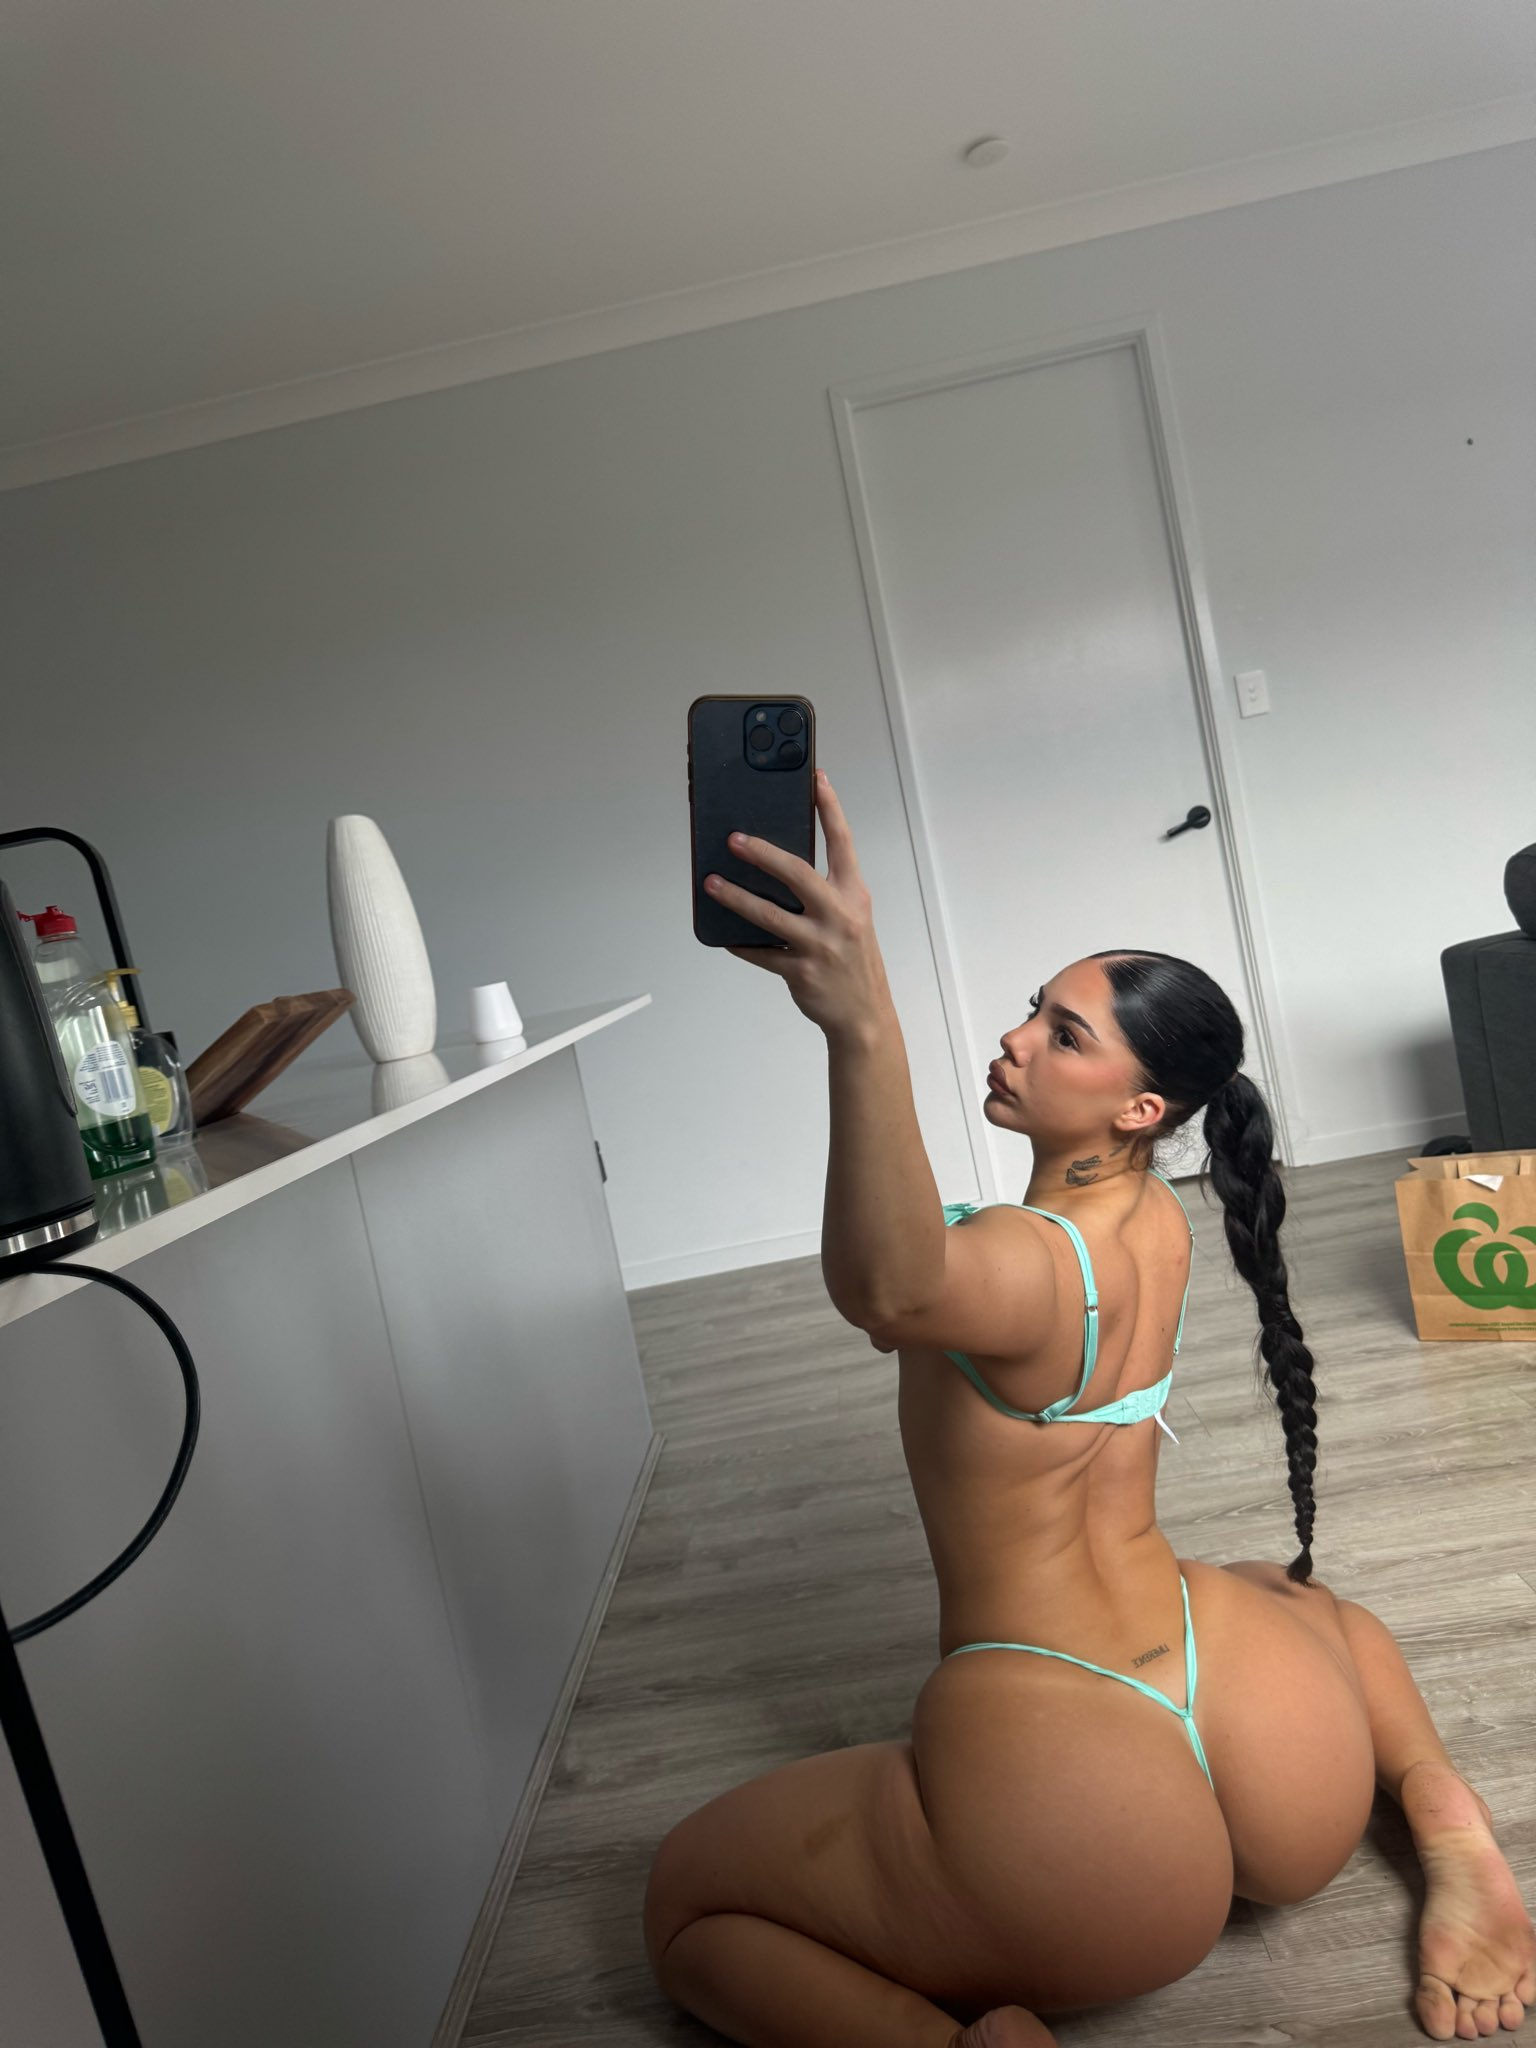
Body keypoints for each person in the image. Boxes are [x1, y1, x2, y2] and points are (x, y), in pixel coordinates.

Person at [644, 772, 1536, 2048]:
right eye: (1033, 1010)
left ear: (1139, 1108)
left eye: (1062, 1035)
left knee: (685, 1902)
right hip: (1276, 1744)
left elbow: (892, 1287)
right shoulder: (1156, 1213)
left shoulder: (1024, 1262)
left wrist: (862, 1022)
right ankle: (1439, 1809)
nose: (1015, 1039)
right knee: (1295, 1595)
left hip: (1080, 1809)